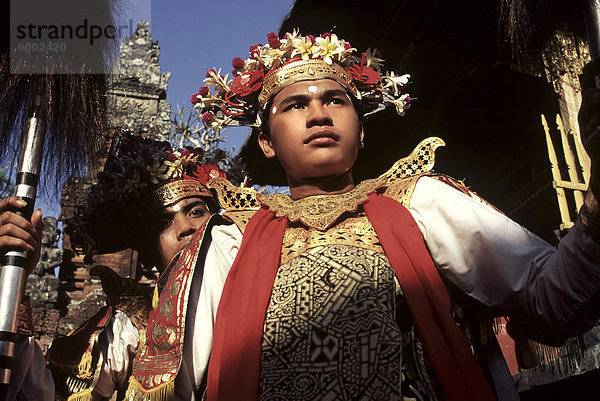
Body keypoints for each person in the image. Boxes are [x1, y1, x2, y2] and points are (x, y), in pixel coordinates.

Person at [125, 30, 600, 401]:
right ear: (267, 141)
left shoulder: (420, 202)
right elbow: (173, 383)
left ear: (361, 130)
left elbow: (548, 297)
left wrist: (598, 205)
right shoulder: (230, 238)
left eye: (335, 100)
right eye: (295, 105)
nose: (318, 115)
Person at [0, 133, 228, 401]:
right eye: (162, 224)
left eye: (196, 212)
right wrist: (11, 283)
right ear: (147, 258)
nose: (186, 228)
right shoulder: (125, 330)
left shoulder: (269, 290)